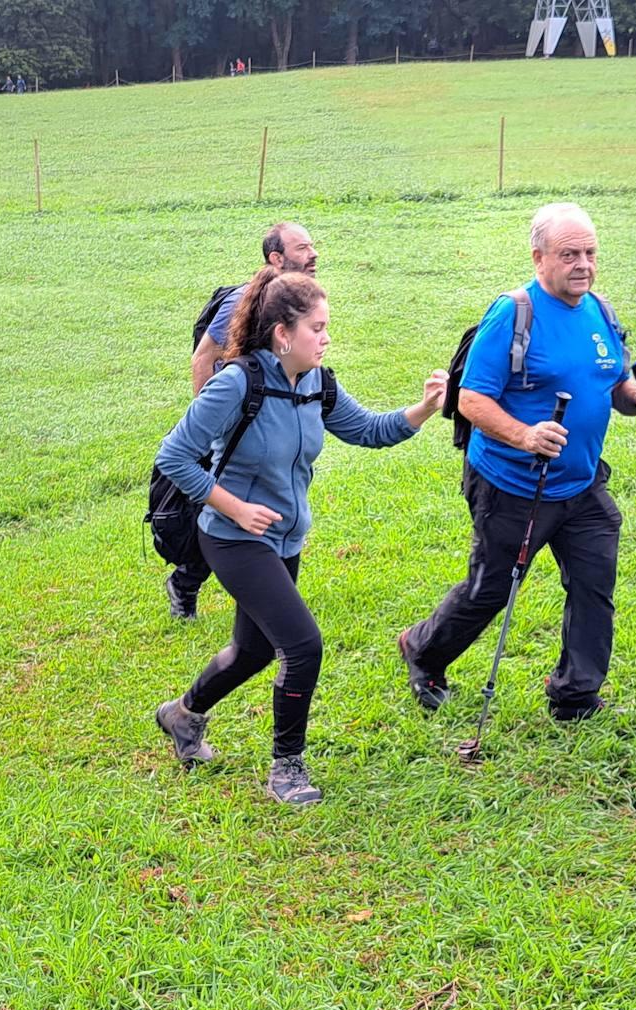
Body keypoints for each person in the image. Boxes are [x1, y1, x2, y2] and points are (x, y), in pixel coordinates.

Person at [153, 268, 449, 805]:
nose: (327, 337)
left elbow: (371, 430)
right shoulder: (236, 383)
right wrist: (236, 508)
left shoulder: (318, 385)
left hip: (284, 539)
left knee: (252, 650)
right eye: (317, 327)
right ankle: (286, 768)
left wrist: (424, 409)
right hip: (232, 536)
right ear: (283, 334)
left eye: (327, 326)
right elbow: (173, 456)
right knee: (303, 645)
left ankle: (182, 714)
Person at [398, 202, 636, 721]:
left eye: (590, 252)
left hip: (581, 482)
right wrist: (524, 435)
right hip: (512, 484)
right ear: (539, 257)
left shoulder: (599, 310)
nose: (583, 264)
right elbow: (471, 398)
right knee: (490, 588)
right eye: (569, 254)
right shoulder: (513, 312)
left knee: (594, 585)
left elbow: (613, 383)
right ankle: (423, 651)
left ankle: (575, 694)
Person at [166, 222, 321, 621]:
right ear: (276, 258)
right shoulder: (244, 300)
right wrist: (213, 426)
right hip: (234, 419)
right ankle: (186, 582)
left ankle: (262, 603)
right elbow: (204, 358)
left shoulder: (299, 303)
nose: (314, 254)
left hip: (268, 417)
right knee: (222, 509)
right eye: (302, 248)